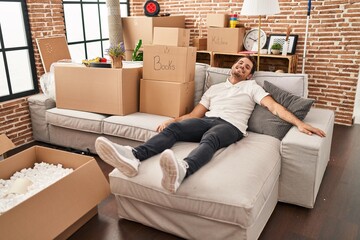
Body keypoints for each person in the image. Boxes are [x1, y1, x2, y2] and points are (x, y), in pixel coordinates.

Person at [95, 56, 326, 194]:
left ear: (249, 76)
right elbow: (195, 114)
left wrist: (299, 124)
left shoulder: (252, 88)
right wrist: (172, 121)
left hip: (231, 126)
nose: (242, 67)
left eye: (246, 67)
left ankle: (183, 170)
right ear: (232, 67)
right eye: (240, 64)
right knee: (174, 130)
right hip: (207, 120)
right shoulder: (214, 89)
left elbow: (274, 107)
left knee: (212, 138)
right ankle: (133, 156)